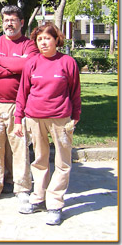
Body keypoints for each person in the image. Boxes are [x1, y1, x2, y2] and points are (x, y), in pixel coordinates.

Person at [14, 23, 81, 225]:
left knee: (62, 161)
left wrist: (75, 116)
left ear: (56, 40)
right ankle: (38, 198)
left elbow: (75, 92)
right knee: (40, 159)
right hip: (35, 117)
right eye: (40, 39)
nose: (43, 42)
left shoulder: (67, 62)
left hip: (61, 118)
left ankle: (55, 203)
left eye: (47, 38)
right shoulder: (31, 63)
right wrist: (18, 119)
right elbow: (22, 92)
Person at [0, 5, 39, 205]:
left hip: (19, 104)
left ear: (21, 22)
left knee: (19, 146)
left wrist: (0, 61)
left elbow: (29, 65)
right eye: (6, 20)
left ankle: (22, 187)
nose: (9, 24)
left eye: (13, 20)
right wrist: (14, 67)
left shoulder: (29, 45)